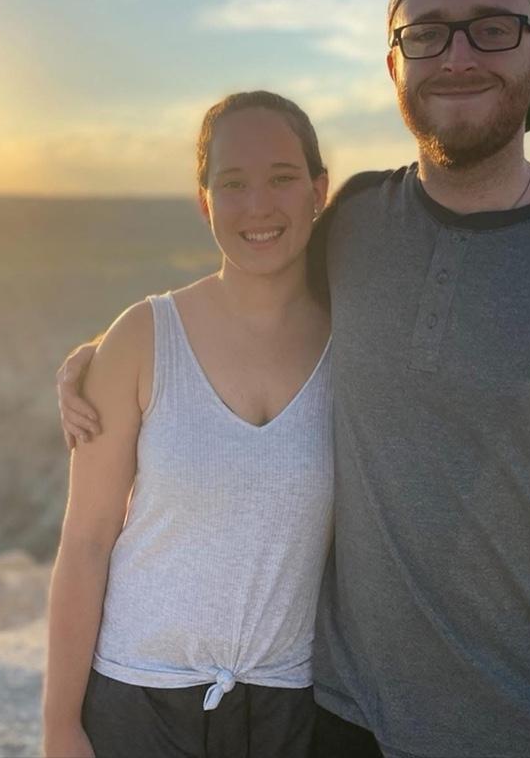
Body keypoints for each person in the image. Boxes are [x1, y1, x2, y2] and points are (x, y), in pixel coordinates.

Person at [58, 0, 530, 758]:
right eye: (427, 33)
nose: (459, 55)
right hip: (339, 721)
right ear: (394, 65)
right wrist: (101, 357)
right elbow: (252, 294)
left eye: (493, 28)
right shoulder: (357, 224)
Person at [43, 91, 334, 758]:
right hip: (134, 702)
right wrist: (60, 727)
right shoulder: (144, 337)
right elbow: (86, 541)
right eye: (232, 183)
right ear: (205, 202)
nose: (258, 204)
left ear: (320, 190)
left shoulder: (357, 348)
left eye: (283, 178)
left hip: (287, 711)